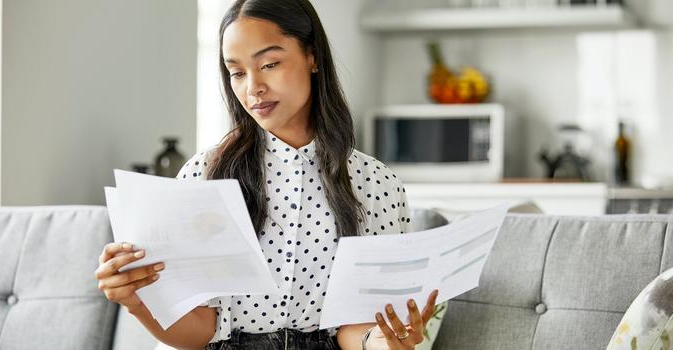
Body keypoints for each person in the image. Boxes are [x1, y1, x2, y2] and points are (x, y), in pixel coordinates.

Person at [94, 0, 443, 349]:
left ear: (313, 57)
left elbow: (355, 330)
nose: (253, 87)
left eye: (270, 64)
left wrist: (381, 341)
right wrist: (135, 300)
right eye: (237, 72)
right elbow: (201, 331)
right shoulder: (204, 175)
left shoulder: (376, 184)